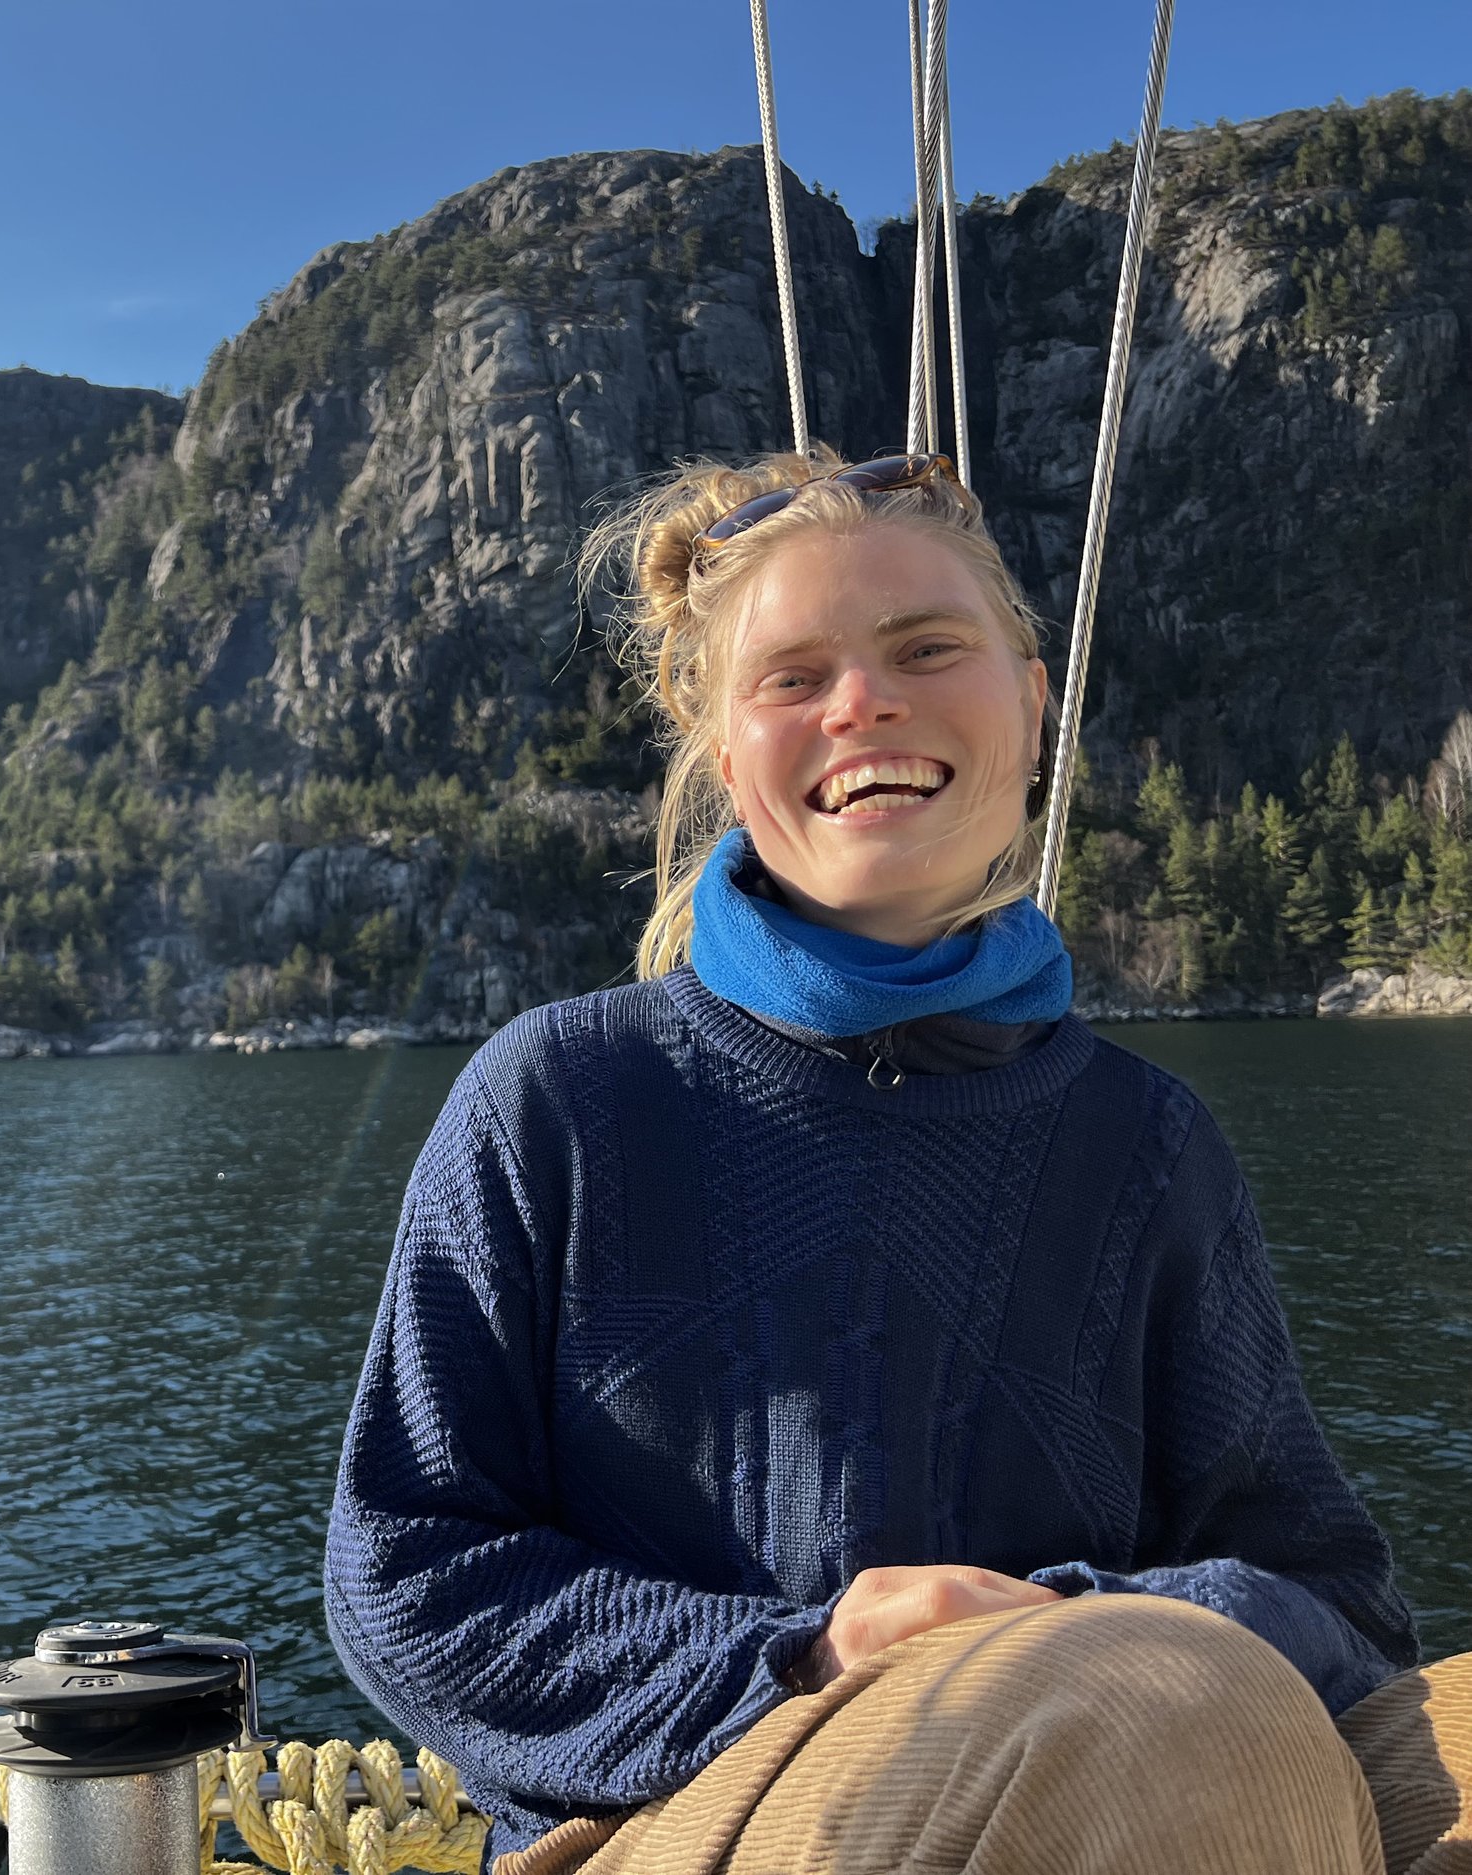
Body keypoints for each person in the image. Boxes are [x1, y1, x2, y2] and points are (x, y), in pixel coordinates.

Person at [324, 448, 1472, 1875]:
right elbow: (405, 1574)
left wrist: (1073, 1620)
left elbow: (1340, 1608)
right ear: (723, 747)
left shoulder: (1145, 1145)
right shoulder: (560, 1097)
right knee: (1160, 1720)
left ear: (1033, 699)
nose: (864, 702)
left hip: (1130, 1712)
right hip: (668, 1811)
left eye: (929, 647)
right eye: (793, 677)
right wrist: (809, 1651)